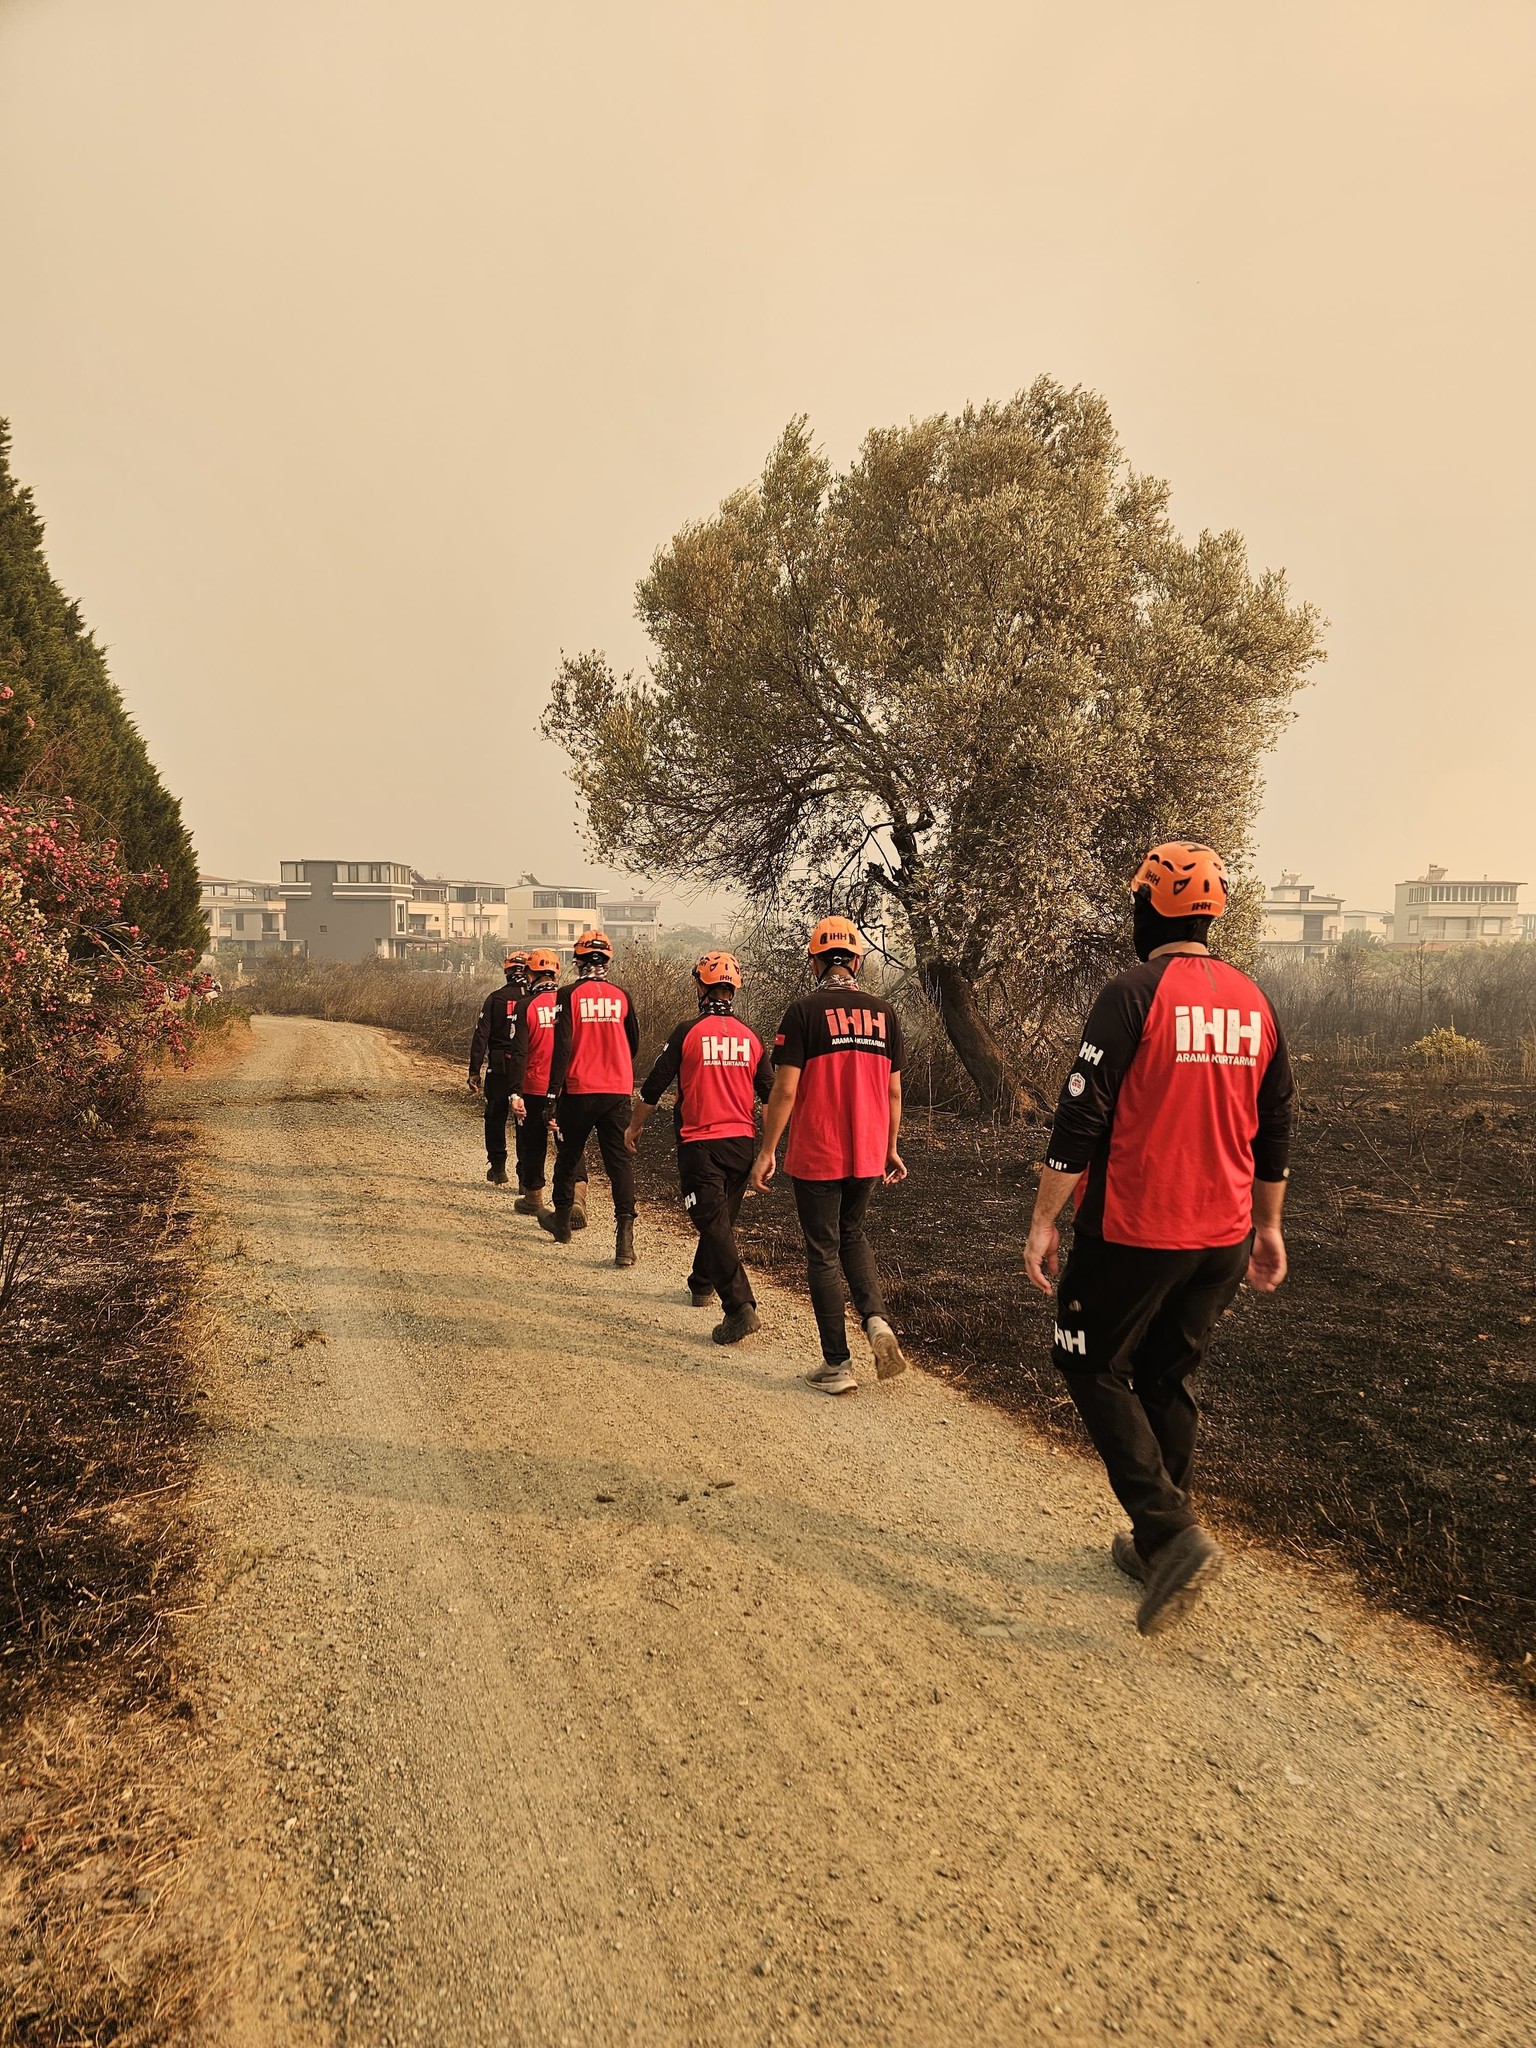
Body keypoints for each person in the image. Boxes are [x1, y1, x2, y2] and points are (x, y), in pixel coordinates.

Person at [1023, 840, 1294, 1636]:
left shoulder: (1132, 992)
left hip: (1140, 1227)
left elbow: (1081, 1114)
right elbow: (1275, 1126)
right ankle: (1157, 1545)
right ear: (1213, 916)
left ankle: (1170, 1532)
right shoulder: (1255, 1000)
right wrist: (1270, 1226)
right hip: (1226, 1236)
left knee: (1085, 1359)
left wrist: (1043, 1218)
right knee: (1166, 1375)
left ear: (1146, 910)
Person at [749, 916, 909, 1394]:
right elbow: (894, 1092)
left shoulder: (802, 1011)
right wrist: (890, 1147)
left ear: (817, 961)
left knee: (822, 1251)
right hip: (867, 1152)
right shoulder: (885, 1013)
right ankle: (876, 1321)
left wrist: (767, 1150)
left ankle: (837, 1366)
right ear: (857, 960)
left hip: (818, 1148)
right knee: (853, 1235)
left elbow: (785, 1089)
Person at [627, 951, 774, 1345]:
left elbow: (655, 1084)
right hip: (742, 1143)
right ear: (735, 989)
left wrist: (634, 1126)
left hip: (699, 1142)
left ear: (699, 986)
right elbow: (770, 1095)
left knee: (710, 1220)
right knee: (719, 1217)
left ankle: (740, 1307)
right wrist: (771, 1146)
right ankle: (701, 1282)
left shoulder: (687, 1031)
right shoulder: (751, 1037)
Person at [538, 929, 641, 1265]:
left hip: (580, 1088)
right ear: (607, 961)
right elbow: (633, 1043)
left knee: (568, 1156)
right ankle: (624, 1243)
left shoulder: (567, 995)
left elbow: (563, 1045)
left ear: (576, 960)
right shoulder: (622, 996)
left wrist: (552, 1093)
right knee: (619, 1165)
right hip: (617, 1090)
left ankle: (562, 1222)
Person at [503, 947, 566, 1215]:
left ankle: (534, 1198)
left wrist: (514, 1092)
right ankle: (575, 1198)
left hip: (534, 1086)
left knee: (533, 1144)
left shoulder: (526, 1006)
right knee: (569, 1144)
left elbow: (519, 1053)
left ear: (531, 974)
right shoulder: (570, 1002)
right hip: (566, 1087)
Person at [467, 950, 530, 1185]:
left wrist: (474, 1070)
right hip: (527, 1069)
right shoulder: (535, 999)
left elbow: (481, 1034)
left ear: (507, 972)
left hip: (499, 1067)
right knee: (525, 1120)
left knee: (495, 1117)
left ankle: (498, 1167)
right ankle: (526, 1176)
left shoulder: (496, 998)